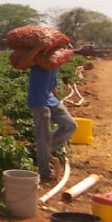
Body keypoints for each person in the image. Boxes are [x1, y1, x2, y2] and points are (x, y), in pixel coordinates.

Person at [16, 44, 77, 180]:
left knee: (70, 125)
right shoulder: (38, 59)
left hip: (51, 100)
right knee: (43, 136)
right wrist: (36, 48)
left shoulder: (54, 63)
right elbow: (22, 64)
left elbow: (53, 86)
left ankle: (44, 151)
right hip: (38, 101)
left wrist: (57, 101)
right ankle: (44, 171)